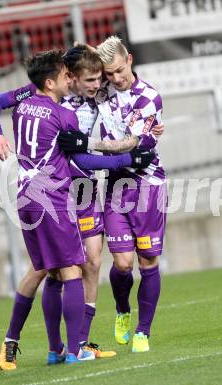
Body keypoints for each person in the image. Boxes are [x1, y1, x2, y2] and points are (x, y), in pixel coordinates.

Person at [0, 47, 156, 369]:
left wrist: (143, 133)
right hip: (58, 192)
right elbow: (78, 156)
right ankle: (65, 348)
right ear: (67, 78)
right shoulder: (58, 108)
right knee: (58, 270)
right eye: (88, 78)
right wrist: (127, 158)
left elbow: (128, 108)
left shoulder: (36, 101)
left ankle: (73, 342)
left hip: (72, 189)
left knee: (88, 262)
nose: (96, 84)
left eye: (99, 78)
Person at [59, 36, 167, 353]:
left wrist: (87, 145)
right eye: (109, 73)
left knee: (148, 261)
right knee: (121, 264)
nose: (115, 78)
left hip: (148, 185)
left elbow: (129, 145)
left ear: (130, 60)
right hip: (118, 184)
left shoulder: (148, 98)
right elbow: (84, 67)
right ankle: (122, 310)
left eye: (119, 71)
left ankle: (143, 332)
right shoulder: (103, 88)